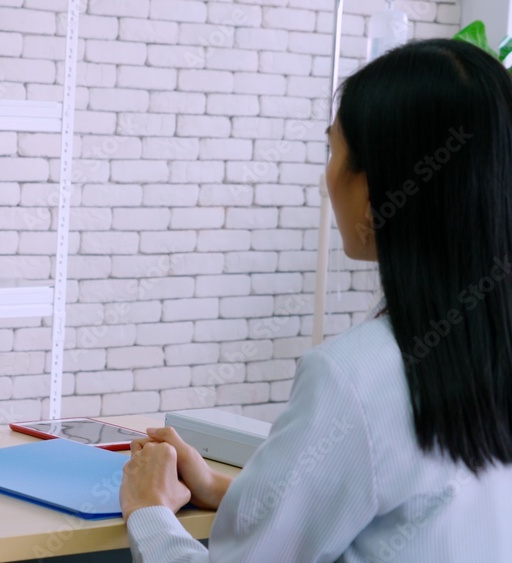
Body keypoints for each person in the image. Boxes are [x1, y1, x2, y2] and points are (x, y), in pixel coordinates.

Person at [120, 38, 512, 562]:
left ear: (375, 186)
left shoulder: (354, 376)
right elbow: (412, 516)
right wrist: (227, 490)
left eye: (334, 150)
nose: (327, 176)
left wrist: (148, 511)